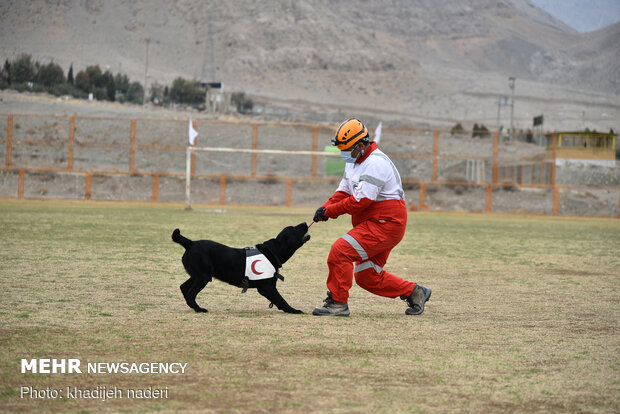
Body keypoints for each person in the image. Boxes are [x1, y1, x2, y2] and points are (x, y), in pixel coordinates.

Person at [312, 118, 431, 317]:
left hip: (386, 224)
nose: (343, 154)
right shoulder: (356, 161)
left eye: (347, 149)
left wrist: (332, 212)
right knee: (367, 277)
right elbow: (343, 191)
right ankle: (415, 292)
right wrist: (325, 207)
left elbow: (361, 201)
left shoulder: (375, 163)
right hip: (374, 223)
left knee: (340, 251)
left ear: (360, 145)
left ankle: (338, 304)